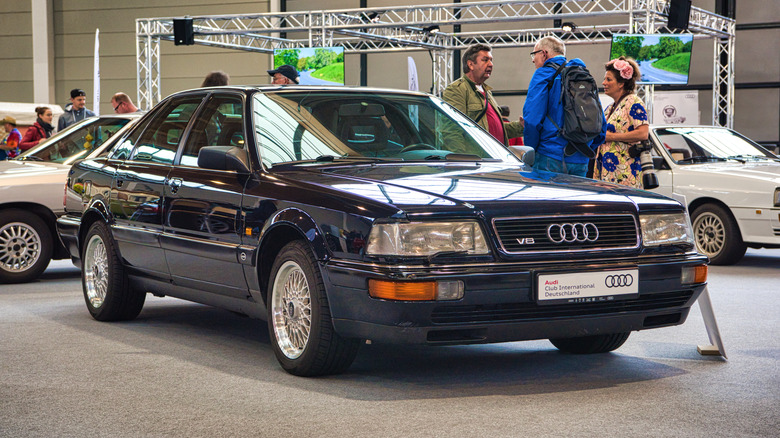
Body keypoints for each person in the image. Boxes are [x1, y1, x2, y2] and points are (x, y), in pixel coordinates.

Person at [523, 36, 606, 176]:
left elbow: (532, 120)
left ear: (544, 54)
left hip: (550, 156)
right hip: (581, 159)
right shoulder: (581, 75)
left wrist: (532, 150)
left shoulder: (543, 74)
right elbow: (600, 123)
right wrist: (584, 146)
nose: (533, 59)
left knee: (546, 198)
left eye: (534, 54)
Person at [442, 44, 523, 146]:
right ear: (471, 64)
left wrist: (520, 126)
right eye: (485, 60)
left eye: (491, 60)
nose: (491, 64)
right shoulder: (457, 89)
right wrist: (460, 160)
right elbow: (452, 130)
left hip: (495, 157)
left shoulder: (487, 92)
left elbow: (497, 130)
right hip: (477, 159)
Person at [592, 56, 648, 188]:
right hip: (608, 174)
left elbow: (643, 133)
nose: (604, 83)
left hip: (625, 174)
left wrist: (612, 137)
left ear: (621, 83)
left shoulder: (633, 102)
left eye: (608, 79)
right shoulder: (610, 108)